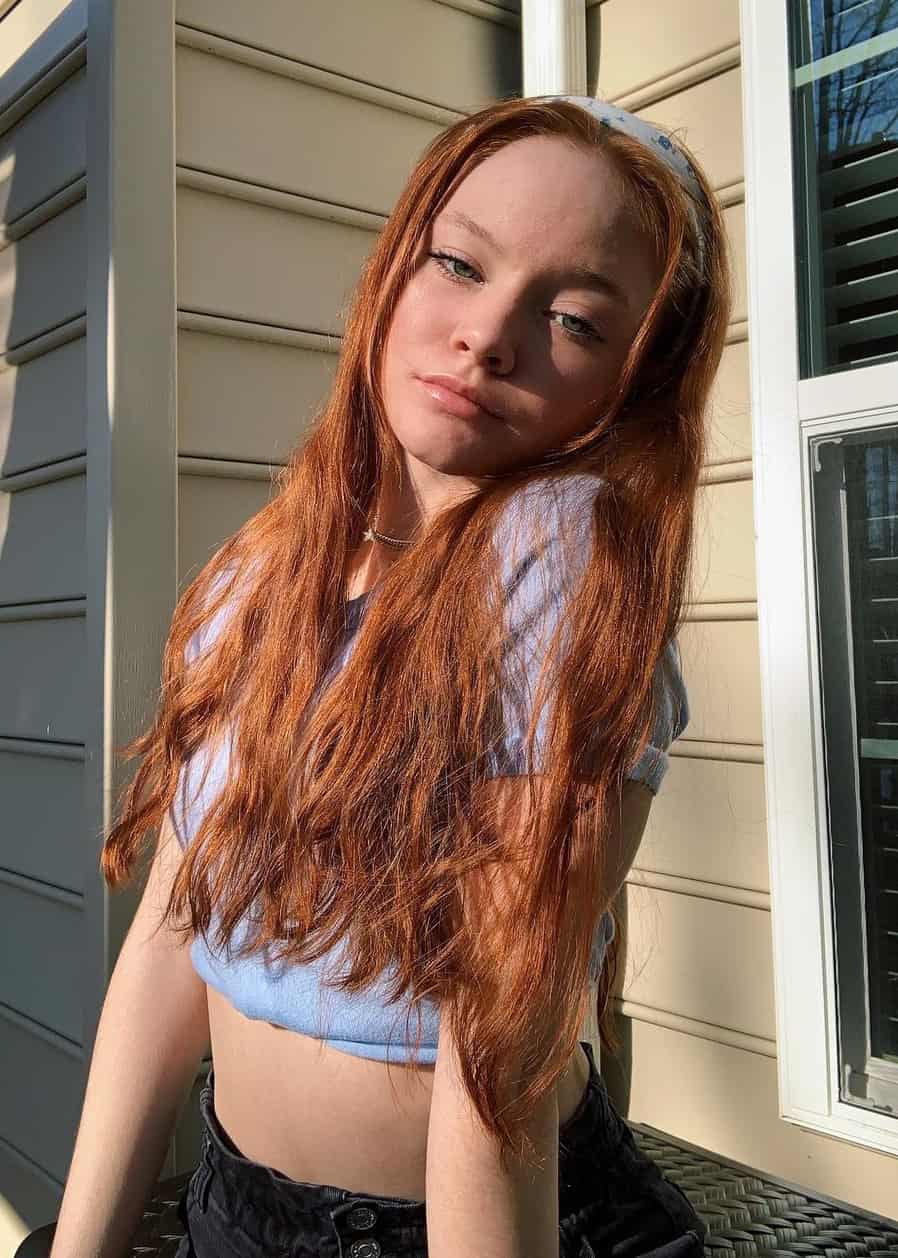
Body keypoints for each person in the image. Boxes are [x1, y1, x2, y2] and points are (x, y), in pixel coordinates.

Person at [50, 94, 731, 1258]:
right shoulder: (261, 573)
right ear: (394, 266)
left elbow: (495, 1048)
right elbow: (174, 931)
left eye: (573, 319)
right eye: (458, 264)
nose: (488, 335)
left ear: (634, 380)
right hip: (231, 1206)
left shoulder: (560, 556)